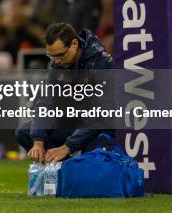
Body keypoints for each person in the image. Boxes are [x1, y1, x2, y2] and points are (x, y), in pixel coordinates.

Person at [15, 22, 113, 163]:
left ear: (74, 44)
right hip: (72, 122)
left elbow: (101, 115)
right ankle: (65, 169)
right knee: (25, 132)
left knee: (93, 157)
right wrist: (38, 141)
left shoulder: (102, 64)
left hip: (97, 128)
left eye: (60, 55)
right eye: (51, 56)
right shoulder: (57, 65)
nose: (56, 61)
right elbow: (46, 102)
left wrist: (67, 147)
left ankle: (76, 168)